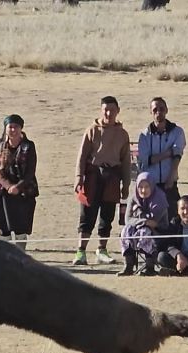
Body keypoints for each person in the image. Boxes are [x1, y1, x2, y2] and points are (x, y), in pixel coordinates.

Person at [74, 95, 130, 266]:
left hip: (112, 177)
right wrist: (78, 177)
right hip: (92, 176)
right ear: (101, 110)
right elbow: (82, 156)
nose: (109, 113)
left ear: (118, 111)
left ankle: (101, 250)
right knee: (87, 215)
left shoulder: (122, 134)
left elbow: (126, 161)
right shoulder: (92, 130)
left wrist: (126, 184)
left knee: (107, 215)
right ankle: (80, 252)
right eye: (105, 109)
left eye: (112, 110)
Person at [0, 114, 38, 251]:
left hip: (24, 192)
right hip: (5, 193)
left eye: (16, 127)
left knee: (21, 228)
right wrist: (8, 186)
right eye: (10, 127)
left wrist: (18, 187)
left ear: (21, 128)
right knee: (4, 228)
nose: (13, 130)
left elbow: (30, 171)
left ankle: (20, 255)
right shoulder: (1, 147)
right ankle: (4, 256)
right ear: (5, 129)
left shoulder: (29, 146)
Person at [138, 97, 186, 218]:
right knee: (152, 218)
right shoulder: (144, 135)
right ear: (151, 112)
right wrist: (168, 153)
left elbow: (177, 154)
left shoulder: (177, 132)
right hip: (150, 185)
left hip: (169, 182)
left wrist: (171, 176)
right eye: (155, 110)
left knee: (173, 218)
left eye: (161, 109)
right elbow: (146, 160)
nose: (158, 112)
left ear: (166, 110)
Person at [119, 172, 170, 276]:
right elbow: (128, 220)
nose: (143, 190)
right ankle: (128, 265)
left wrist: (138, 214)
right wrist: (143, 221)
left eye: (146, 187)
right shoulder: (134, 198)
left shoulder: (159, 199)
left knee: (145, 231)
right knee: (126, 230)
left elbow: (154, 222)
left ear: (152, 186)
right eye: (140, 187)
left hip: (159, 231)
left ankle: (149, 266)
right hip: (140, 228)